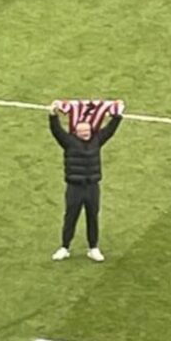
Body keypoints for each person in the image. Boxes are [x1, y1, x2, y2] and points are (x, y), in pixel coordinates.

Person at [49, 100, 123, 262]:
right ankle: (64, 247)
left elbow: (110, 130)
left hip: (92, 186)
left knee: (92, 217)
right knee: (70, 217)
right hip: (74, 187)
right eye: (82, 131)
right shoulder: (68, 142)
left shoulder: (97, 140)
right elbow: (56, 131)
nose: (85, 133)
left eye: (87, 130)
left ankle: (93, 248)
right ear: (76, 131)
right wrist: (53, 115)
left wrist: (117, 116)